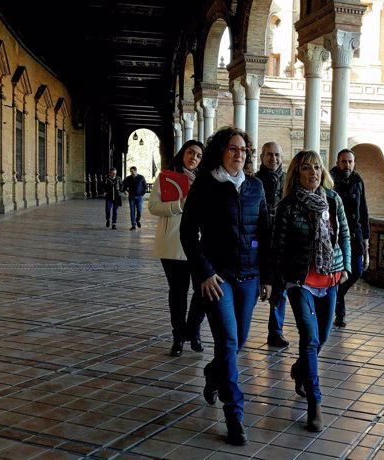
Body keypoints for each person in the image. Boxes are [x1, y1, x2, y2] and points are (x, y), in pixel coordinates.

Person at [180, 126, 272, 446]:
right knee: (228, 341)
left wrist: (268, 276)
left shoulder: (255, 187)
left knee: (238, 342)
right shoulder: (205, 185)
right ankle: (235, 414)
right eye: (233, 148)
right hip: (217, 278)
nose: (239, 154)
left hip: (248, 277)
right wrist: (204, 272)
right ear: (221, 151)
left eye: (244, 150)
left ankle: (212, 374)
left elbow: (265, 231)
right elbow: (189, 235)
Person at [271, 150, 351, 432]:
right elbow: (277, 248)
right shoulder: (288, 207)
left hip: (329, 279)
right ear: (297, 173)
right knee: (310, 336)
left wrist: (346, 267)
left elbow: (345, 234)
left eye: (317, 167)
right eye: (307, 168)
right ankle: (315, 403)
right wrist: (276, 282)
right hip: (300, 281)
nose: (313, 173)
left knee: (323, 337)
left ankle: (299, 369)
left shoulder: (333, 199)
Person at [148, 140, 207, 357]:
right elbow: (153, 207)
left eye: (199, 155)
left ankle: (194, 330)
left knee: (203, 290)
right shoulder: (165, 177)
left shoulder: (206, 181)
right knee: (178, 293)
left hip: (200, 244)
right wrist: (180, 204)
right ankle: (178, 336)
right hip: (173, 244)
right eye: (191, 152)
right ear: (183, 153)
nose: (194, 157)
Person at [329, 148, 369, 327]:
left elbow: (364, 210)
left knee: (357, 271)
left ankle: (336, 294)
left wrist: (366, 237)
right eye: (344, 161)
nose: (347, 165)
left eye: (350, 162)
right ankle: (340, 314)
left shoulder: (358, 180)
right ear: (338, 162)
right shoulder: (330, 180)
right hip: (337, 235)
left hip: (356, 235)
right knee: (339, 272)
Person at [255, 141, 289, 348]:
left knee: (280, 290)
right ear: (262, 157)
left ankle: (275, 332)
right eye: (269, 154)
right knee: (252, 286)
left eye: (276, 155)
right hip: (258, 240)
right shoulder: (254, 181)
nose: (273, 159)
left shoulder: (288, 181)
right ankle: (242, 328)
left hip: (280, 241)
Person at [122, 166, 147, 230]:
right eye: (130, 171)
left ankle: (137, 220)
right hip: (131, 197)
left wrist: (142, 194)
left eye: (132, 171)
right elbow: (124, 185)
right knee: (132, 211)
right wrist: (125, 190)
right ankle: (133, 224)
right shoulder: (128, 178)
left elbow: (145, 187)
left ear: (136, 171)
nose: (131, 173)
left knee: (139, 211)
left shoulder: (141, 177)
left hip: (139, 197)